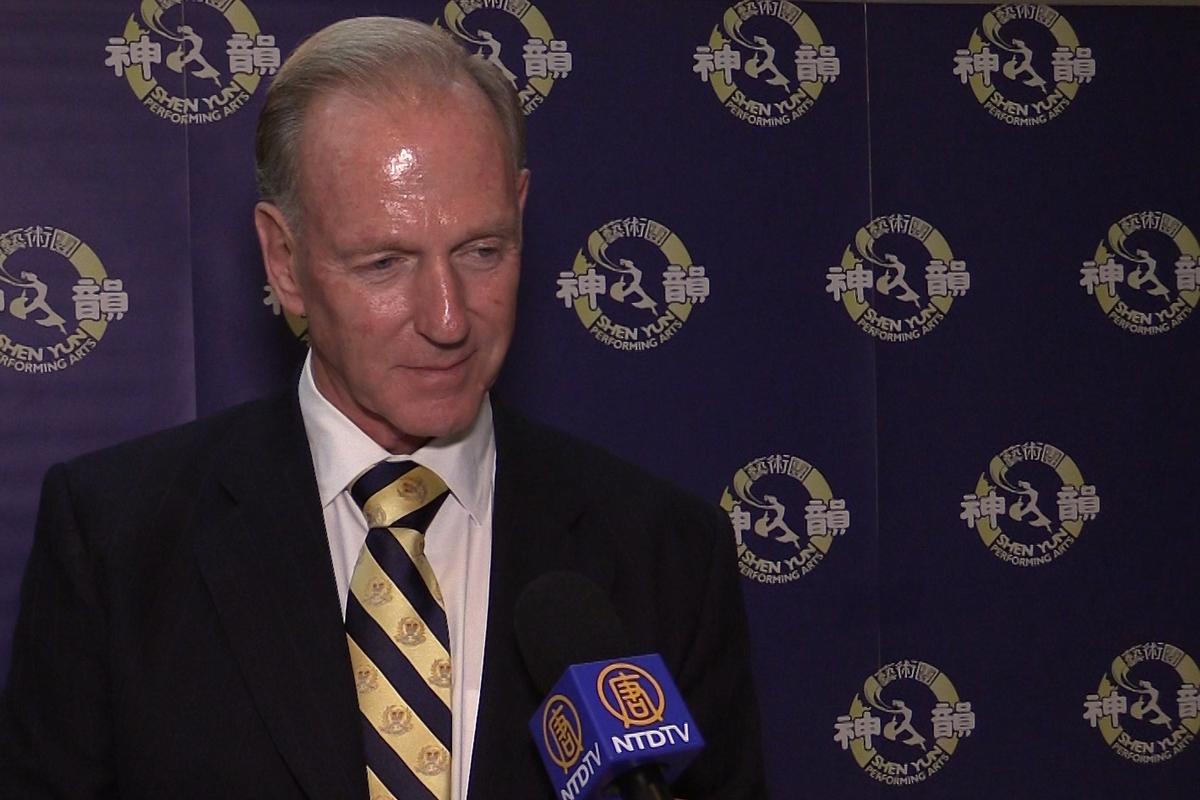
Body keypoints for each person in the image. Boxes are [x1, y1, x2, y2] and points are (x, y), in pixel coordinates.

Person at [0, 17, 765, 800]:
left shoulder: (665, 554)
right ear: (285, 261)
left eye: (483, 250)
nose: (448, 318)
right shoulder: (116, 544)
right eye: (384, 263)